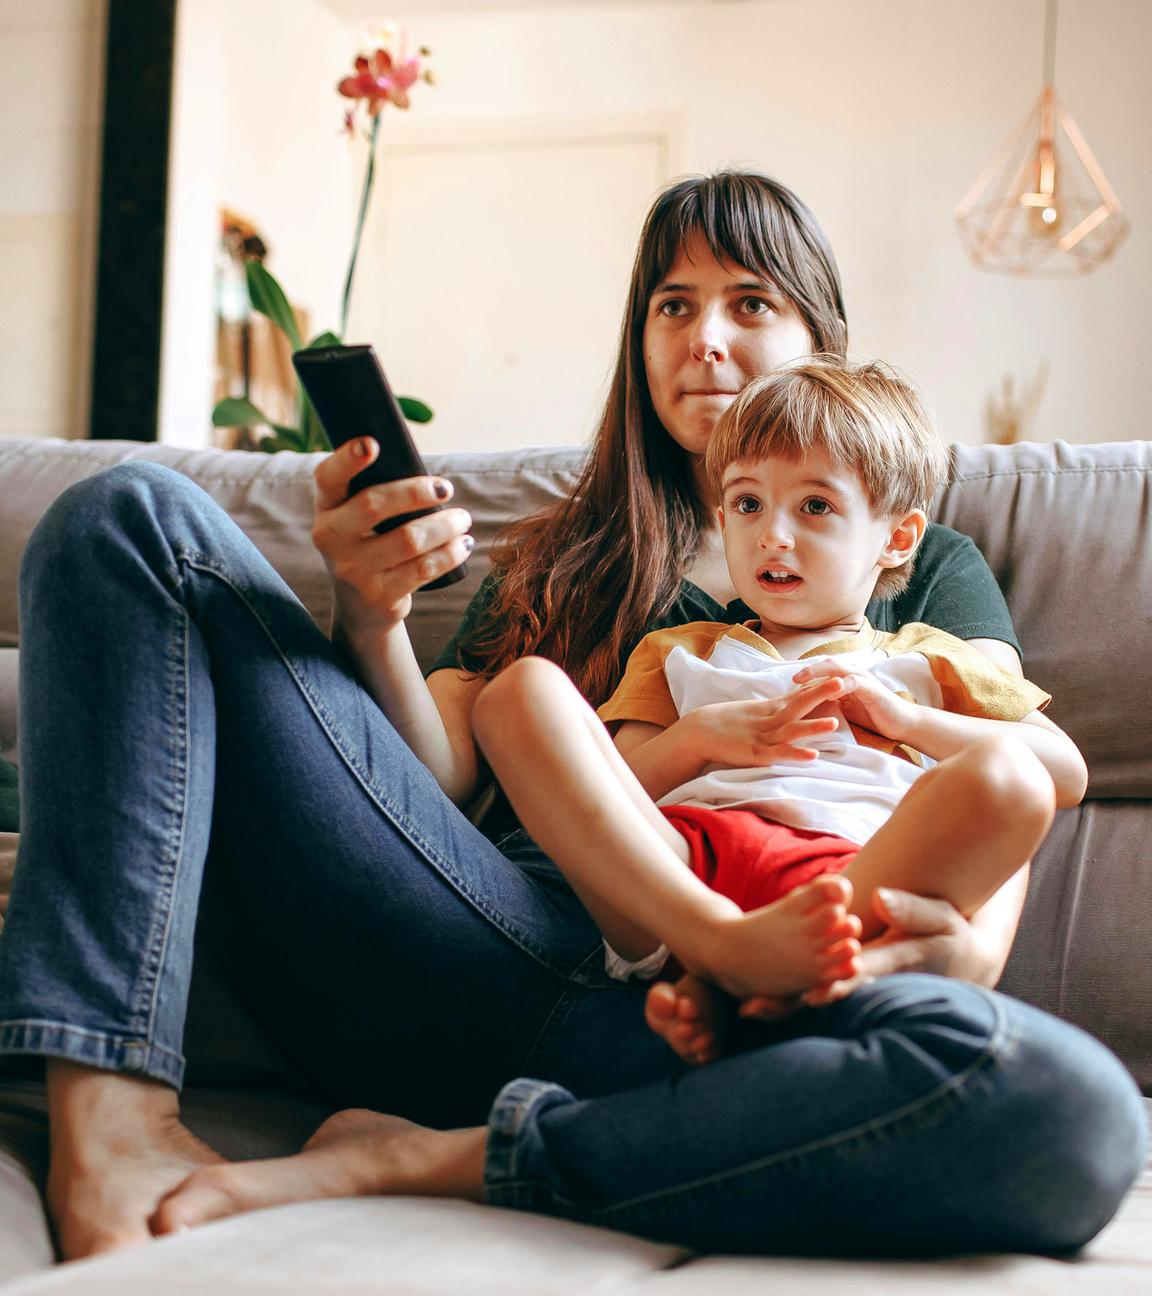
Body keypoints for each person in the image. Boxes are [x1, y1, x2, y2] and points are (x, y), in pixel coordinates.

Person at [0, 173, 1143, 1262]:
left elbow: (1005, 783)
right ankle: (110, 1123)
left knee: (1074, 1113)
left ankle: (445, 1157)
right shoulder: (569, 550)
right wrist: (373, 609)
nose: (705, 339)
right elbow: (435, 776)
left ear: (820, 341)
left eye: (750, 302)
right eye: (672, 306)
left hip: (729, 1019)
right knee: (130, 517)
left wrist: (953, 948)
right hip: (480, 939)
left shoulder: (913, 562)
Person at [470, 358, 1086, 1064]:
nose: (772, 536)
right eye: (747, 503)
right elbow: (613, 792)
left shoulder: (931, 659)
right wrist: (700, 739)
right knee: (521, 693)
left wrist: (904, 720)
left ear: (898, 538)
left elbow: (1064, 773)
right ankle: (721, 954)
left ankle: (741, 993)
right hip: (681, 878)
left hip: (847, 886)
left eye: (815, 506)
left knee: (1012, 778)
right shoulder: (682, 651)